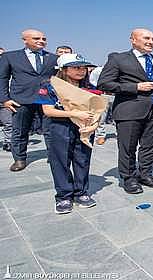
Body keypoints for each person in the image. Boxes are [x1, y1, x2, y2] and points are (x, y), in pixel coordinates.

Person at [97, 28, 153, 194]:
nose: (151, 42)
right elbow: (104, 83)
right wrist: (135, 87)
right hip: (129, 110)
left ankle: (145, 174)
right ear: (133, 40)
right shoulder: (118, 59)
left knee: (149, 146)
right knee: (128, 147)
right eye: (146, 38)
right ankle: (129, 178)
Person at [36, 53, 99, 214]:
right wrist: (75, 114)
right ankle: (64, 195)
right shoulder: (49, 86)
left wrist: (93, 126)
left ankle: (81, 192)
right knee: (60, 161)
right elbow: (48, 111)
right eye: (76, 67)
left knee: (82, 160)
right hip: (58, 127)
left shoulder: (89, 88)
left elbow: (98, 111)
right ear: (63, 69)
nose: (81, 71)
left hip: (83, 128)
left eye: (84, 68)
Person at [0, 29, 58, 172]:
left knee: (50, 130)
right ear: (25, 40)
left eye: (44, 39)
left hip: (47, 99)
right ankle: (19, 159)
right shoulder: (10, 57)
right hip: (20, 100)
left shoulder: (53, 58)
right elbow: (2, 78)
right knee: (19, 130)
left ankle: (54, 156)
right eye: (36, 38)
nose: (41, 41)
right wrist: (5, 99)